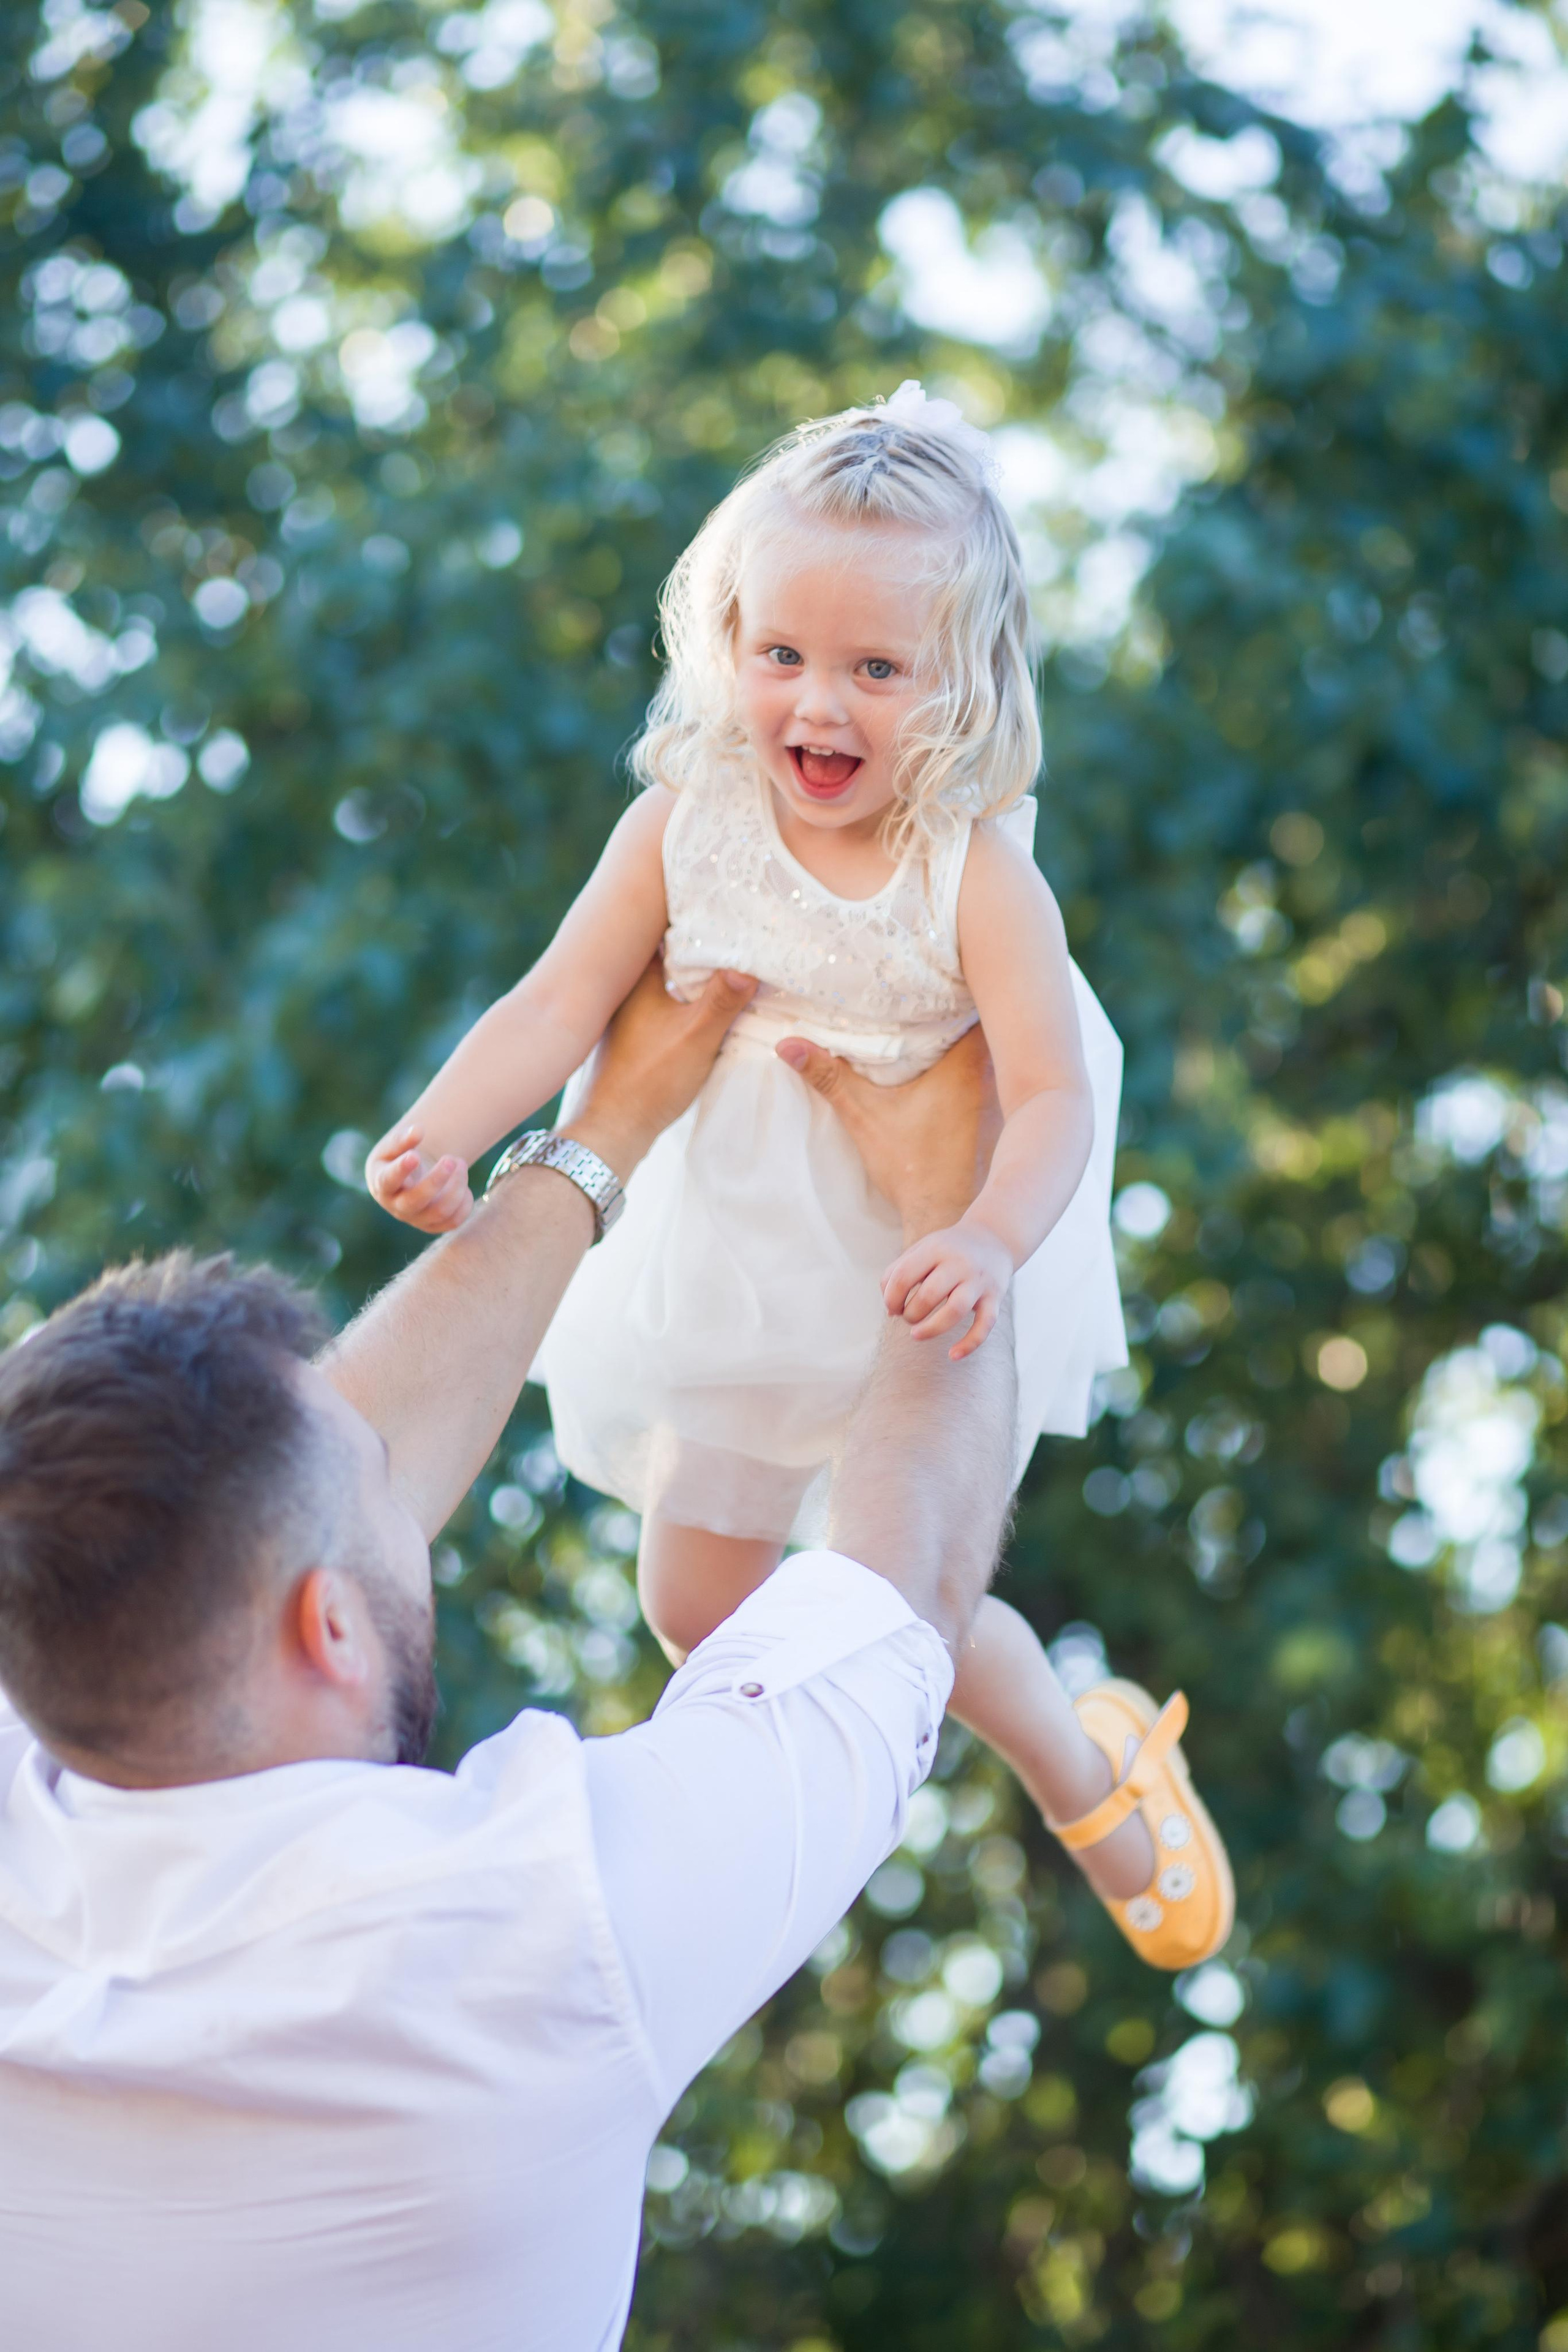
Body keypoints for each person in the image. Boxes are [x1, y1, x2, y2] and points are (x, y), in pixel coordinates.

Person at [364, 382, 1229, 1967]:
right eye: (781, 655)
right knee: (694, 1607)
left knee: (903, 1598)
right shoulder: (683, 822)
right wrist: (445, 1128)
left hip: (916, 1257)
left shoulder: (975, 876)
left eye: (875, 670)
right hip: (735, 1267)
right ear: (726, 640)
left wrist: (989, 1235)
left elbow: (1052, 1097)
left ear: (962, 681)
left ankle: (1078, 1761)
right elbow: (559, 1001)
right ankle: (888, 1750)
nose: (818, 706)